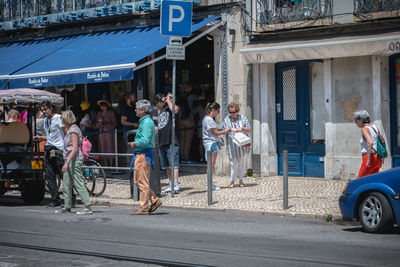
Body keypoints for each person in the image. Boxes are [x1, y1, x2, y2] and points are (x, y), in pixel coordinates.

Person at [55, 110, 93, 215]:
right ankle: (67, 206)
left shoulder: (73, 130)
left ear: (66, 118)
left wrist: (66, 162)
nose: (61, 119)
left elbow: (75, 148)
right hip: (70, 159)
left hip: (74, 160)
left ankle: (87, 207)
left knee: (78, 183)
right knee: (66, 184)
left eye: (62, 117)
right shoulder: (69, 129)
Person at [129, 99, 162, 215]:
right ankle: (154, 200)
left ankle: (144, 207)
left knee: (141, 181)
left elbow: (145, 140)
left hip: (143, 154)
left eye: (137, 109)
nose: (135, 110)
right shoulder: (145, 121)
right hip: (142, 154)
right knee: (139, 180)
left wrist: (135, 143)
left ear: (143, 110)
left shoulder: (147, 123)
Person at [35, 101, 65, 207]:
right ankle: (55, 199)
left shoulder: (58, 118)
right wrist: (41, 138)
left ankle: (71, 198)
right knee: (50, 176)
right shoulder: (45, 121)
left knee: (63, 176)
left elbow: (66, 131)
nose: (44, 112)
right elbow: (50, 135)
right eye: (42, 110)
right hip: (48, 149)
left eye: (45, 109)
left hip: (58, 150)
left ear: (51, 108)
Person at [154, 93, 181, 194]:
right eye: (167, 97)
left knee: (173, 163)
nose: (167, 99)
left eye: (171, 97)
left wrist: (168, 100)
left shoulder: (174, 108)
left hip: (172, 140)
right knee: (166, 165)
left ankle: (175, 184)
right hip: (162, 141)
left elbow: (175, 110)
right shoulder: (161, 111)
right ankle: (170, 183)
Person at [202, 102, 231, 190]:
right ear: (214, 110)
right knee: (211, 164)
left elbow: (216, 130)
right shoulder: (209, 120)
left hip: (210, 142)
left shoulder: (208, 119)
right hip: (211, 143)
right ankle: (209, 184)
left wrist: (223, 129)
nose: (218, 113)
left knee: (211, 164)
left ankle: (210, 183)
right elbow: (215, 133)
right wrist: (226, 131)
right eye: (218, 111)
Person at [222, 103, 251, 188]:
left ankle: (241, 181)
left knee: (241, 163)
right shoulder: (227, 119)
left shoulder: (243, 118)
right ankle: (232, 181)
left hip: (241, 144)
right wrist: (227, 130)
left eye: (233, 112)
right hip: (231, 145)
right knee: (232, 164)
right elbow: (223, 129)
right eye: (230, 112)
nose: (232, 114)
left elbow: (249, 128)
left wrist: (242, 129)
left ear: (237, 111)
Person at [178, 82, 206, 163]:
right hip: (190, 121)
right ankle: (185, 158)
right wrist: (203, 89)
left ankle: (181, 157)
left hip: (181, 121)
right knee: (188, 141)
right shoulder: (191, 96)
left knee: (182, 140)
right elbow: (203, 97)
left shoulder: (179, 97)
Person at [354, 110, 383, 178]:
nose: (355, 122)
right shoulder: (375, 127)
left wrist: (368, 160)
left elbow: (370, 142)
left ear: (361, 120)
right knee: (372, 181)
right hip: (378, 158)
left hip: (370, 158)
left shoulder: (364, 129)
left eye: (356, 120)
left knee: (359, 181)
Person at [95, 99, 117, 166]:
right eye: (101, 106)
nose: (103, 107)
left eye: (104, 106)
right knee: (103, 147)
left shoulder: (111, 113)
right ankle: (105, 164)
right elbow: (96, 124)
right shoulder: (99, 113)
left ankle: (111, 164)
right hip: (101, 133)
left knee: (109, 147)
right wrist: (99, 123)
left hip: (109, 133)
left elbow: (114, 123)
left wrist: (106, 124)